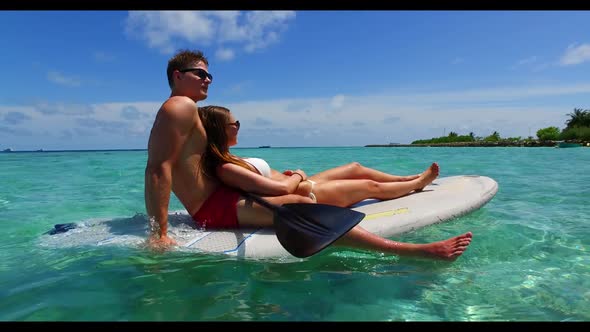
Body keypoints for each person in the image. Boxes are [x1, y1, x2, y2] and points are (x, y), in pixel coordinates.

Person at [144, 49, 473, 261]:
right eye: (199, 73)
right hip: (212, 209)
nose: (208, 79)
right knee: (304, 207)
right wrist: (159, 233)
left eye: (209, 74)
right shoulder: (179, 106)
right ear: (177, 76)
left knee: (313, 196)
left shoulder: (190, 111)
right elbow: (159, 169)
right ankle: (414, 253)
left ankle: (410, 192)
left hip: (222, 200)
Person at [197, 105, 441, 208]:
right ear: (220, 130)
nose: (238, 126)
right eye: (234, 123)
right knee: (368, 186)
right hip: (303, 192)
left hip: (300, 183)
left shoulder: (233, 157)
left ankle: (404, 179)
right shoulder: (226, 168)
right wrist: (299, 174)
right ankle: (416, 184)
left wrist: (295, 177)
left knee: (355, 166)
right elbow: (280, 190)